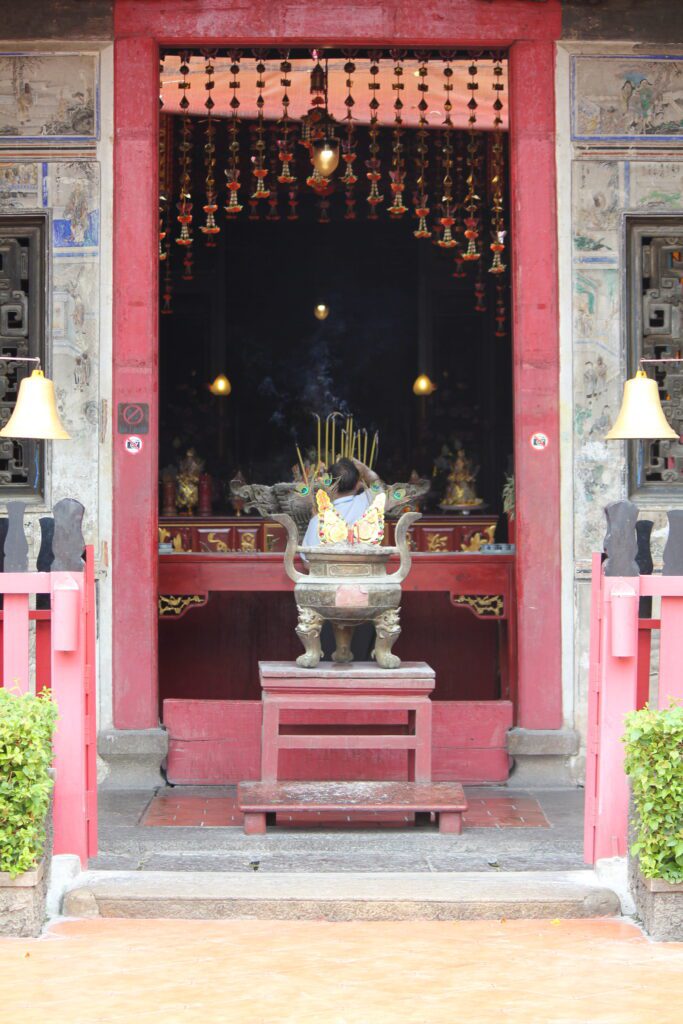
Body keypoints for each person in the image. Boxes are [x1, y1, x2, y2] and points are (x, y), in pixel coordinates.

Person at [302, 456, 380, 548]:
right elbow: (378, 485)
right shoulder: (369, 503)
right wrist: (365, 470)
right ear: (358, 485)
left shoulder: (317, 521)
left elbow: (307, 558)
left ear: (329, 485)